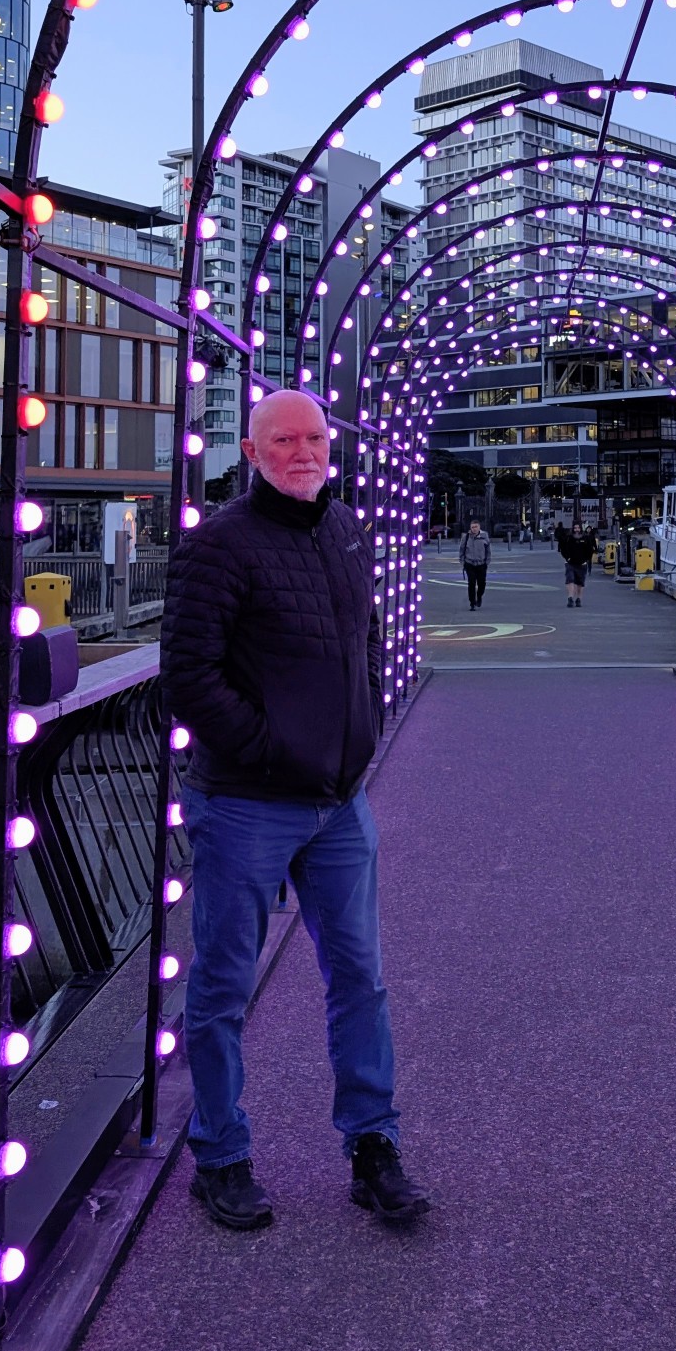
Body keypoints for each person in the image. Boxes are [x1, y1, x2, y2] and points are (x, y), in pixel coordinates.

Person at [160, 387, 428, 1233]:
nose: (301, 452)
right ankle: (220, 1154)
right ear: (251, 451)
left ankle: (373, 1147)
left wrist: (362, 725)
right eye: (282, 440)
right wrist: (273, 749)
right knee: (223, 985)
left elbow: (365, 639)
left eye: (313, 437)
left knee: (360, 979)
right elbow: (188, 676)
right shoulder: (218, 545)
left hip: (338, 803)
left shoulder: (345, 528)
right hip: (246, 803)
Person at [556, 518, 596, 607]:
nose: (576, 530)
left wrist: (586, 559)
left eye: (578, 528)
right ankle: (570, 598)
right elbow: (563, 548)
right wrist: (567, 558)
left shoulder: (586, 538)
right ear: (572, 528)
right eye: (575, 528)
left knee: (580, 582)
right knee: (570, 579)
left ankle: (578, 599)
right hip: (570, 563)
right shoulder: (569, 538)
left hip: (582, 564)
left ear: (581, 528)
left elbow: (590, 550)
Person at [458, 518, 491, 609]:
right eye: (472, 527)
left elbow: (488, 550)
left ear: (479, 527)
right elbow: (462, 550)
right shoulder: (466, 537)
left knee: (482, 583)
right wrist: (463, 562)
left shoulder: (484, 536)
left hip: (481, 564)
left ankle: (479, 596)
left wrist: (487, 562)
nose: (474, 529)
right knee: (471, 583)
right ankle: (472, 603)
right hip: (470, 563)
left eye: (476, 527)